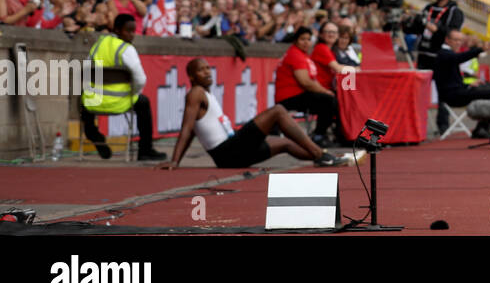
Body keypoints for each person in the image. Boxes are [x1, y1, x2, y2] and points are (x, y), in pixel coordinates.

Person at [158, 59, 343, 169]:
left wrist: (177, 160)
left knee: (286, 143)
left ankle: (325, 158)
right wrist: (175, 161)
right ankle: (321, 154)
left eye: (208, 68)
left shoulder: (205, 94)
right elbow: (187, 128)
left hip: (233, 152)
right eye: (201, 69)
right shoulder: (195, 93)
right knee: (278, 111)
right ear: (191, 76)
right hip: (227, 151)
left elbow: (192, 132)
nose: (207, 72)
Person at [79, 14, 167, 161]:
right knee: (143, 102)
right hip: (120, 103)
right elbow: (140, 79)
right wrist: (134, 93)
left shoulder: (98, 45)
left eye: (134, 31)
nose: (132, 35)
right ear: (117, 30)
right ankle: (145, 150)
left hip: (93, 102)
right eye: (129, 31)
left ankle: (94, 135)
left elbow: (86, 71)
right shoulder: (127, 50)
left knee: (82, 99)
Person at [404, 0, 465, 134]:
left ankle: (442, 126)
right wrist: (408, 22)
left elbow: (453, 33)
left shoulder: (454, 11)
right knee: (418, 92)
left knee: (443, 93)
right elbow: (418, 28)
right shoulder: (428, 8)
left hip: (441, 56)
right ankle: (416, 125)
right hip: (424, 54)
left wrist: (435, 28)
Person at [274, 26, 340, 147]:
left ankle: (325, 134)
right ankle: (319, 136)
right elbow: (305, 82)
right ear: (296, 40)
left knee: (331, 99)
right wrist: (325, 91)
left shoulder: (303, 55)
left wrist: (324, 91)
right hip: (290, 97)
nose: (306, 42)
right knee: (329, 101)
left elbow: (312, 80)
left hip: (298, 95)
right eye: (302, 39)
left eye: (308, 39)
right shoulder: (295, 55)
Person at [433, 30, 490, 139]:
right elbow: (459, 58)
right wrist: (480, 49)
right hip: (451, 96)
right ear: (447, 40)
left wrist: (468, 85)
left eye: (460, 40)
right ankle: (483, 128)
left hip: (458, 91)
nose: (458, 43)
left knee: (487, 88)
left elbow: (452, 80)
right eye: (456, 40)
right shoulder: (443, 54)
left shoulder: (448, 54)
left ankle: (483, 126)